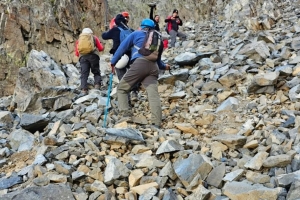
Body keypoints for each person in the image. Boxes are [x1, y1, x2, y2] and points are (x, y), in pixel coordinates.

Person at [110, 19, 170, 128]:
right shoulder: (157, 38)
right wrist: (164, 66)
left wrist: (113, 62)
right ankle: (156, 122)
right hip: (153, 68)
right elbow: (158, 59)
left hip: (139, 64)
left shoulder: (136, 33)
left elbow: (122, 47)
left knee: (122, 88)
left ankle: (126, 115)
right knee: (153, 95)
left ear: (141, 26)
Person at [102, 14, 139, 101]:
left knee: (122, 76)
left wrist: (107, 30)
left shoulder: (115, 29)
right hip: (131, 56)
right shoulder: (131, 30)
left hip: (119, 57)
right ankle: (134, 91)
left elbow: (104, 36)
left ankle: (126, 97)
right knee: (132, 75)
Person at [75, 28, 104, 95]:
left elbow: (77, 53)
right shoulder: (94, 37)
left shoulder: (79, 40)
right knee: (96, 71)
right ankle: (97, 85)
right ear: (91, 33)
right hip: (93, 56)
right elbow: (100, 48)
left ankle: (84, 90)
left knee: (84, 74)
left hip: (83, 58)